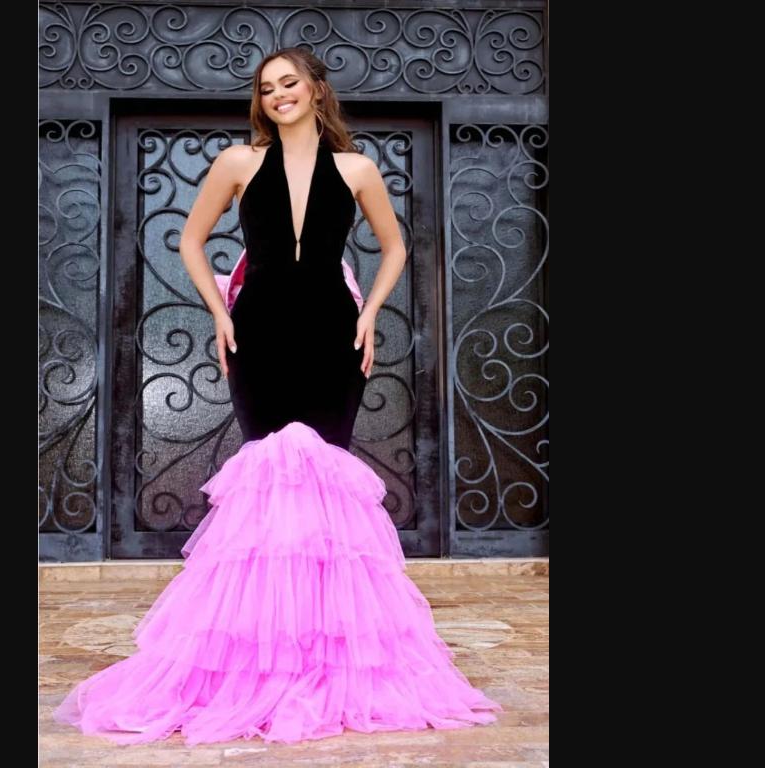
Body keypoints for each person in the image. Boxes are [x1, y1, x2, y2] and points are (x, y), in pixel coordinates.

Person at [53, 47, 502, 746]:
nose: (279, 95)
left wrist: (369, 313)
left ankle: (327, 661)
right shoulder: (237, 163)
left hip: (332, 337)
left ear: (316, 89)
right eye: (267, 88)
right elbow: (192, 241)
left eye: (290, 83)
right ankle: (261, 663)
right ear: (260, 102)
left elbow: (395, 246)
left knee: (324, 492)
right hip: (258, 333)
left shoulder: (356, 169)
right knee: (267, 487)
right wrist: (219, 314)